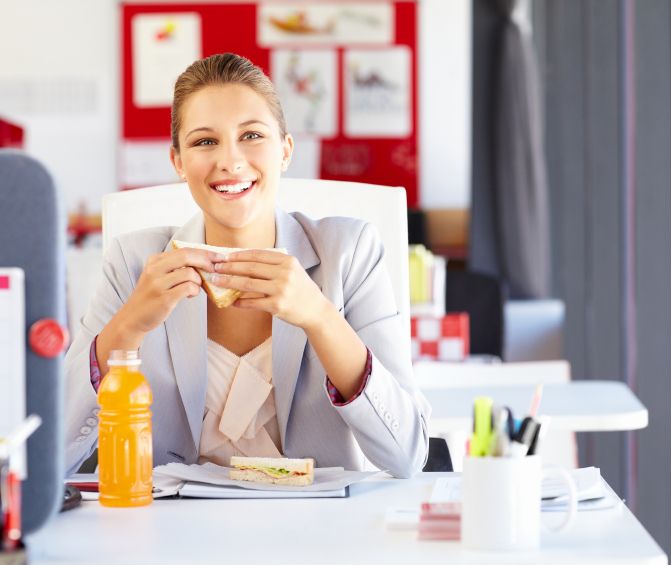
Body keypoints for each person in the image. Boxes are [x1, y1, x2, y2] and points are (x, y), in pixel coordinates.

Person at [64, 53, 431, 478]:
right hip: (172, 533)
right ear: (179, 162)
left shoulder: (349, 253)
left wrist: (319, 318)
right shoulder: (132, 264)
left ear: (286, 151)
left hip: (319, 531)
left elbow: (407, 454)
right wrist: (128, 326)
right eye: (205, 142)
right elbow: (54, 459)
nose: (230, 161)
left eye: (252, 135)